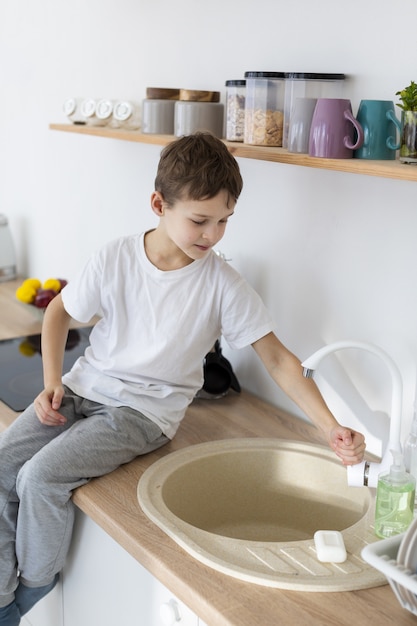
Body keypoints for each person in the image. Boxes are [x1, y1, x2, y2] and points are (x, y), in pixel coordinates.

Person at [0, 132, 366, 625]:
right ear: (159, 204)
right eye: (200, 220)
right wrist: (51, 382)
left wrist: (329, 426)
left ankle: (27, 594)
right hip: (85, 387)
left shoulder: (222, 284)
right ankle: (1, 596)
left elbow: (278, 359)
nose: (212, 235)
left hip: (143, 414)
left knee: (39, 477)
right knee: (4, 467)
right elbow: (59, 312)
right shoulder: (115, 258)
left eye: (223, 222)